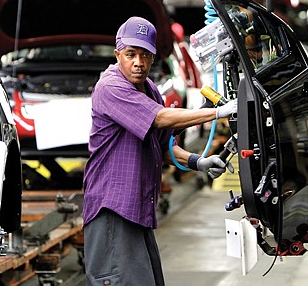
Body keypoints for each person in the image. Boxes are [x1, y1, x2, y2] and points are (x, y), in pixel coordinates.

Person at [83, 16, 237, 286]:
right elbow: (159, 119)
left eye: (145, 55)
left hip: (136, 208)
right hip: (113, 210)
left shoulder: (150, 89)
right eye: (131, 54)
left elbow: (164, 146)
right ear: (118, 53)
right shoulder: (110, 87)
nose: (138, 63)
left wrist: (197, 162)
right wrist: (216, 113)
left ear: (154, 58)